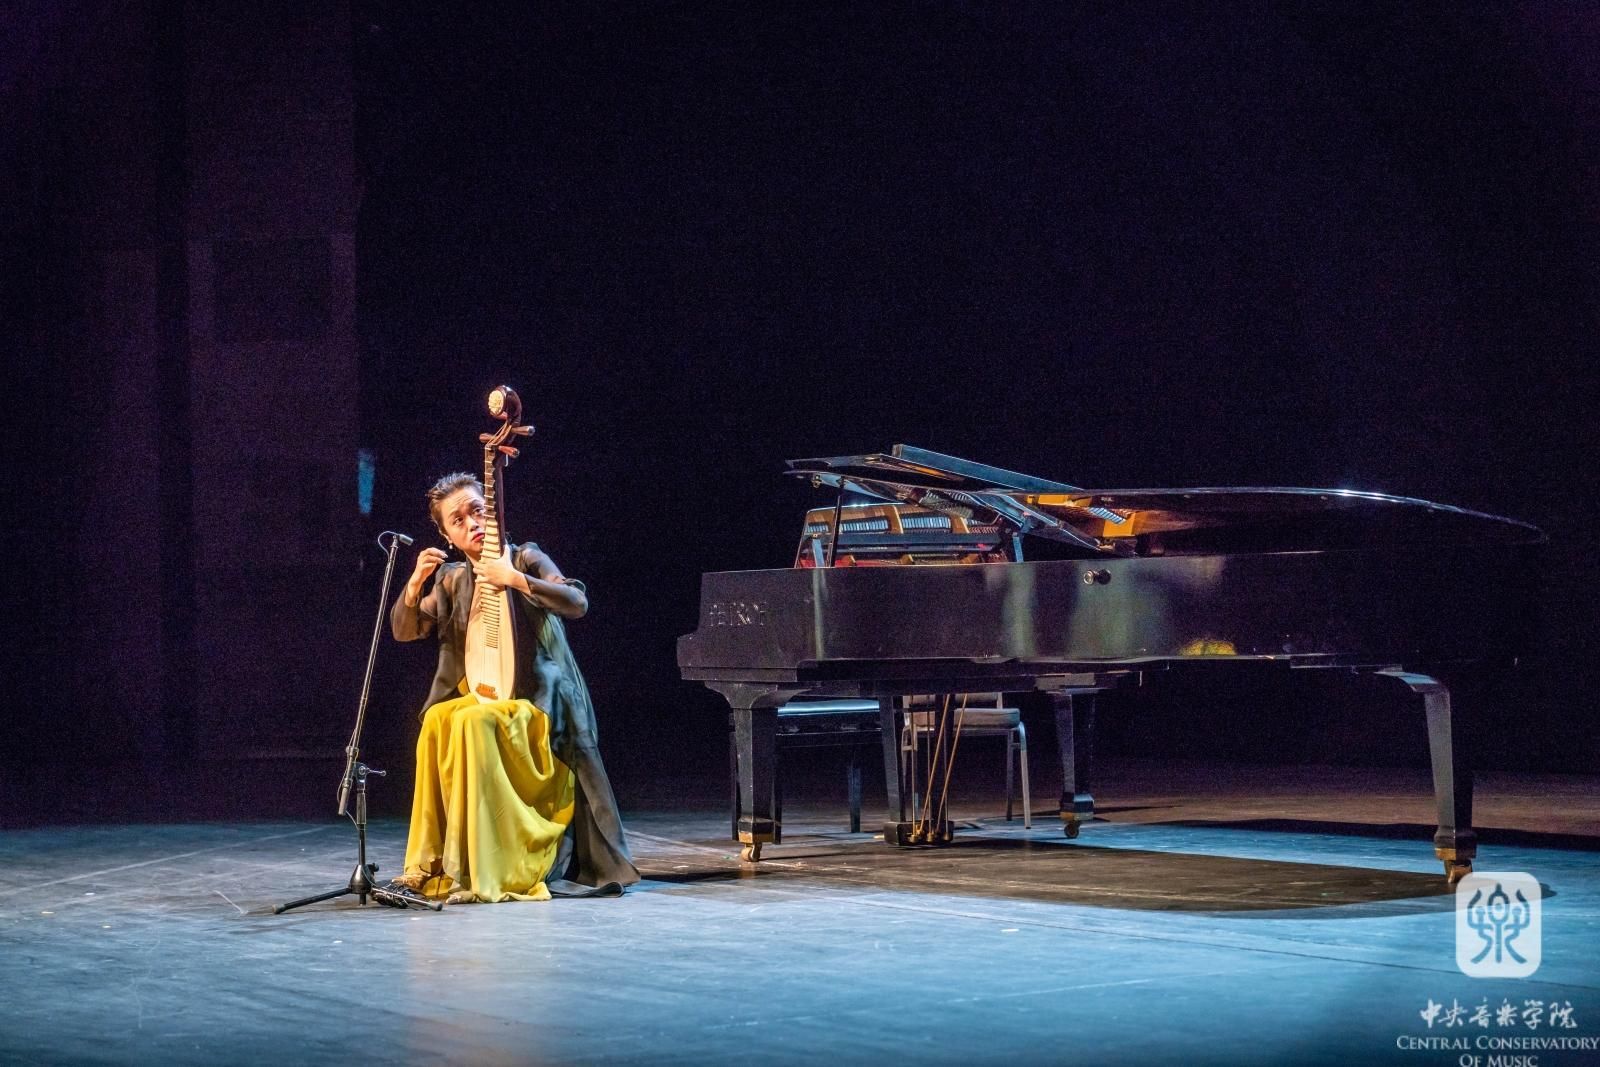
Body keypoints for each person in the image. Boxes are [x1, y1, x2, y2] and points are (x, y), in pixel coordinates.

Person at [385, 471, 639, 903]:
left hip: (541, 703)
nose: (472, 524)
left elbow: (576, 601)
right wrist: (413, 585)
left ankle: (485, 871)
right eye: (458, 520)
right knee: (436, 721)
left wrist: (515, 579)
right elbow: (405, 630)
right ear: (447, 536)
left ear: (494, 513)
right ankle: (429, 863)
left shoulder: (524, 558)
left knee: (473, 724)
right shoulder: (452, 579)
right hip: (490, 693)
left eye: (477, 511)